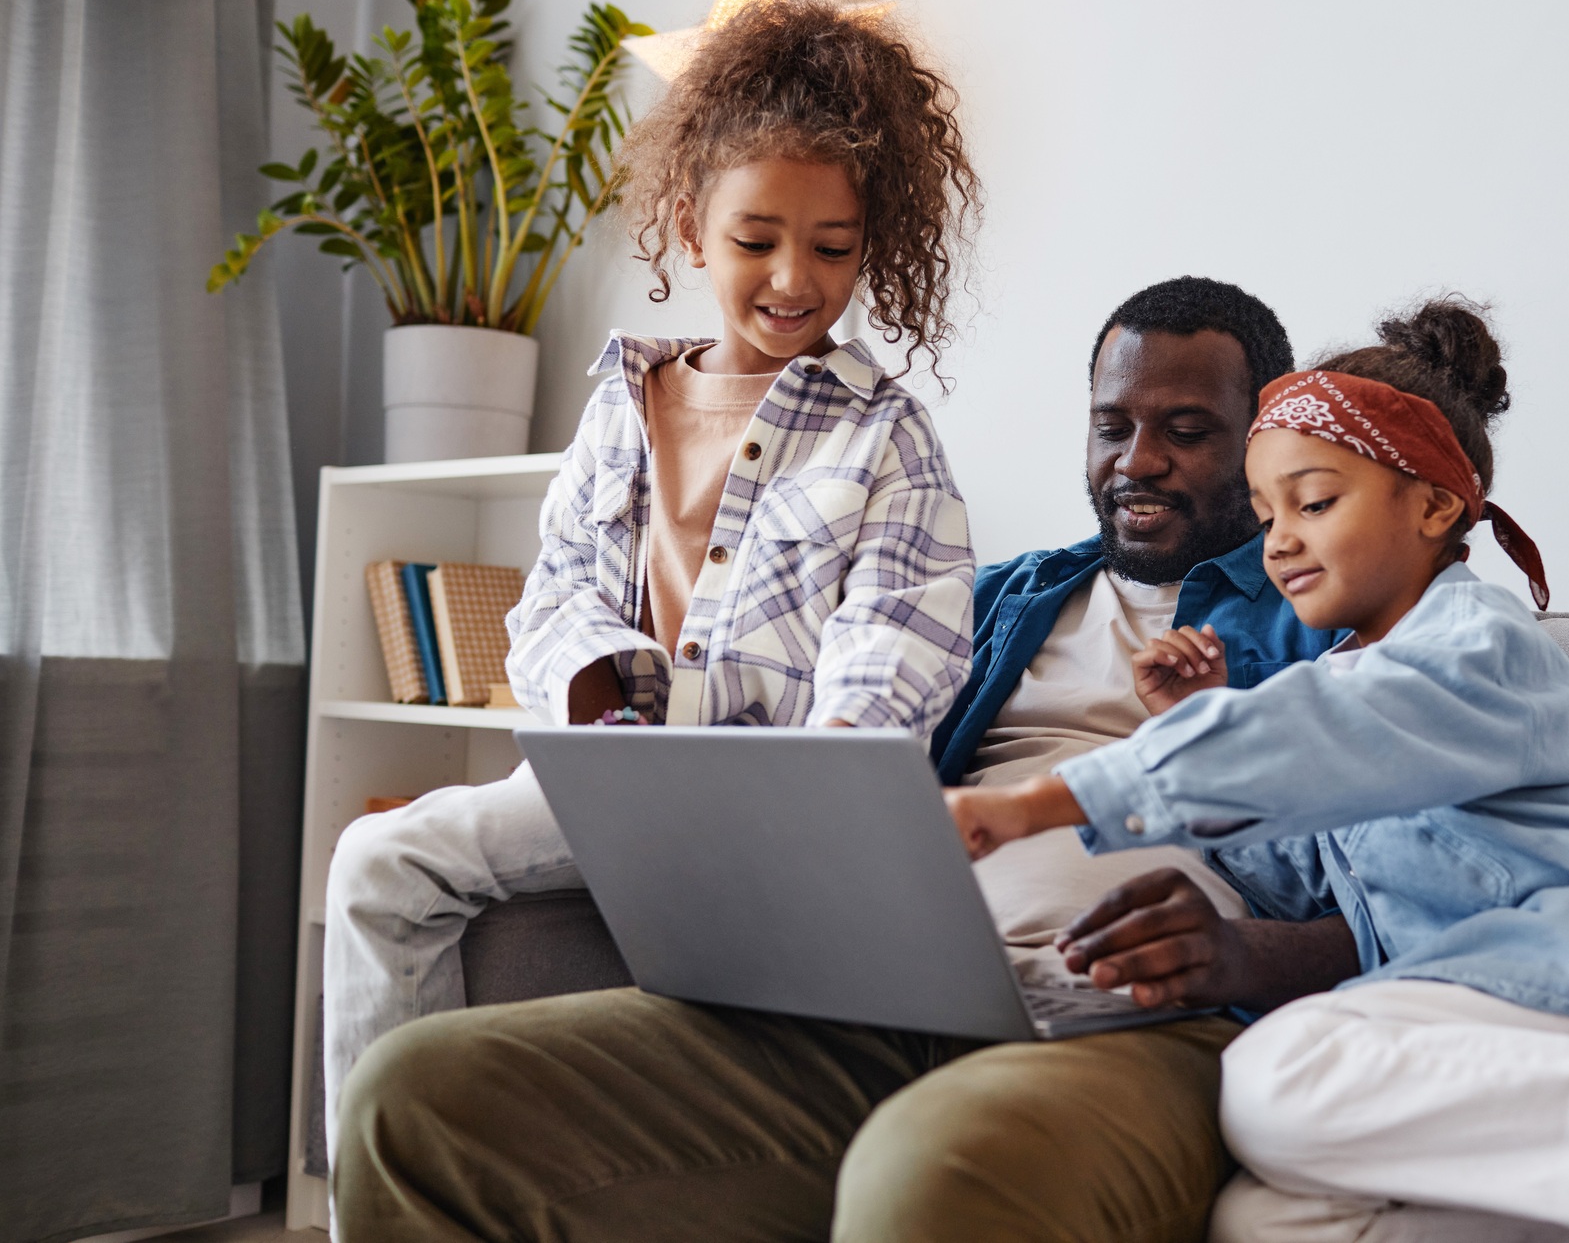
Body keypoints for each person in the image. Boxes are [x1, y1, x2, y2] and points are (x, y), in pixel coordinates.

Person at [332, 276, 1364, 1242]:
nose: (1137, 459)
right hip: (881, 992)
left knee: (932, 1170)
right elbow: (821, 718)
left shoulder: (1334, 624)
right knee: (418, 1092)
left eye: (1187, 432)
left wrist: (1240, 958)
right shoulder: (995, 595)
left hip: (1140, 1028)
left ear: (1265, 442)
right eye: (1111, 426)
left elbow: (1425, 903)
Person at [948, 299, 1569, 1243]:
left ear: (1432, 504)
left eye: (1314, 501)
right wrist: (1202, 721)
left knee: (1271, 1076)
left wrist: (1044, 800)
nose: (1277, 537)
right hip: (1465, 1013)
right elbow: (1298, 869)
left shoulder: (1477, 642)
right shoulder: (1340, 677)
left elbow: (1332, 728)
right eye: (1264, 510)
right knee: (1269, 1218)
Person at [320, 0, 981, 1168]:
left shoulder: (890, 440)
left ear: (870, 245)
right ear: (689, 229)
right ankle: (390, 1196)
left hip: (785, 802)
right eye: (755, 240)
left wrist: (812, 797)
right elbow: (550, 602)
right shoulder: (620, 404)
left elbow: (895, 652)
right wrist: (594, 687)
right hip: (613, 783)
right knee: (378, 860)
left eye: (833, 248)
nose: (794, 276)